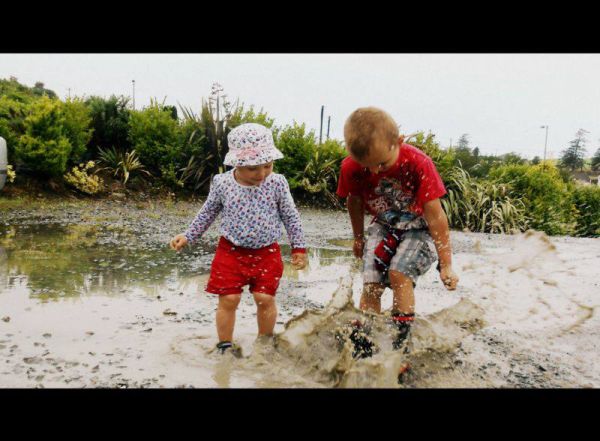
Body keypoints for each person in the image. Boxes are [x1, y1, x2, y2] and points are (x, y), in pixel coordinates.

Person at [170, 123, 308, 356]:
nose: (262, 173)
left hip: (268, 252)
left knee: (264, 297)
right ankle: (225, 345)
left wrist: (299, 247)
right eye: (254, 168)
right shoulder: (222, 183)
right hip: (230, 251)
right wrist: (188, 235)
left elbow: (290, 215)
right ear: (236, 163)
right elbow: (208, 212)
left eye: (268, 165)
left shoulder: (277, 183)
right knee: (229, 299)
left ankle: (264, 342)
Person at [336, 107, 459, 363]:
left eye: (381, 164)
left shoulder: (418, 163)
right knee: (372, 282)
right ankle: (364, 341)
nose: (375, 172)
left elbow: (436, 216)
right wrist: (358, 237)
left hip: (417, 225)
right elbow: (355, 202)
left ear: (399, 142)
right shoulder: (351, 168)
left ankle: (401, 345)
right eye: (366, 166)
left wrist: (446, 264)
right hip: (384, 224)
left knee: (398, 272)